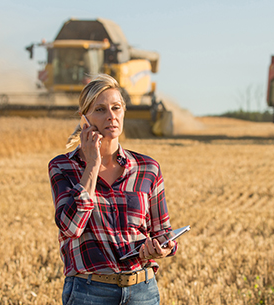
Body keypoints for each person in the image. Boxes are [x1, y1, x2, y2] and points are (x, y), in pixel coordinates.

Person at [48, 74, 177, 305]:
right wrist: (92, 165)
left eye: (116, 108)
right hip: (89, 291)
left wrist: (161, 249)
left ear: (124, 112)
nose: (111, 116)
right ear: (84, 119)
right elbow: (70, 227)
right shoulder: (63, 167)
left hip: (142, 291)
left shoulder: (148, 168)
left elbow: (164, 234)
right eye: (100, 109)